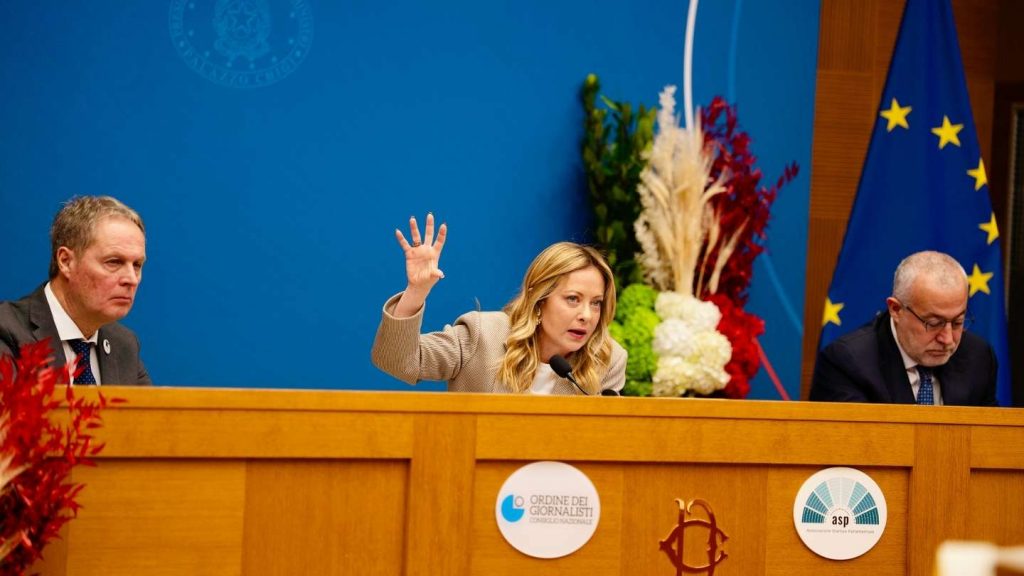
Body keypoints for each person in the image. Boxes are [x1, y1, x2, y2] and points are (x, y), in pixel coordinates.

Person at [371, 214, 626, 394]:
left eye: (596, 303)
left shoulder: (607, 360)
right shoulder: (482, 336)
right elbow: (396, 360)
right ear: (539, 300)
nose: (586, 315)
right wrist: (416, 291)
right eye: (573, 299)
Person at [810, 250, 996, 406]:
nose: (947, 340)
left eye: (957, 322)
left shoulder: (978, 357)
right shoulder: (848, 363)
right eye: (933, 323)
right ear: (896, 309)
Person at [0, 196, 151, 385]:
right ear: (66, 261)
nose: (131, 279)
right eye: (114, 262)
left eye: (137, 265)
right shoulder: (7, 332)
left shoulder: (124, 345)